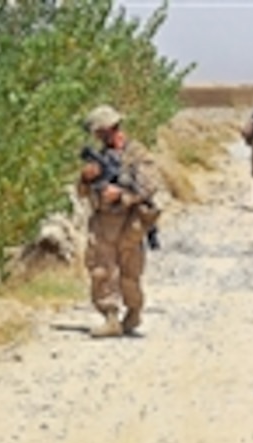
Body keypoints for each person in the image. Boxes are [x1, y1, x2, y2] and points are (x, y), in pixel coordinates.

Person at [77, 104, 161, 337]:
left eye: (100, 133)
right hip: (103, 222)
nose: (97, 137)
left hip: (130, 222)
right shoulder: (101, 157)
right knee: (101, 269)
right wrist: (86, 179)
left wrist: (121, 195)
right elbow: (83, 192)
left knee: (130, 270)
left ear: (110, 129)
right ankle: (110, 317)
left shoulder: (137, 154)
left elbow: (149, 186)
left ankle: (133, 312)